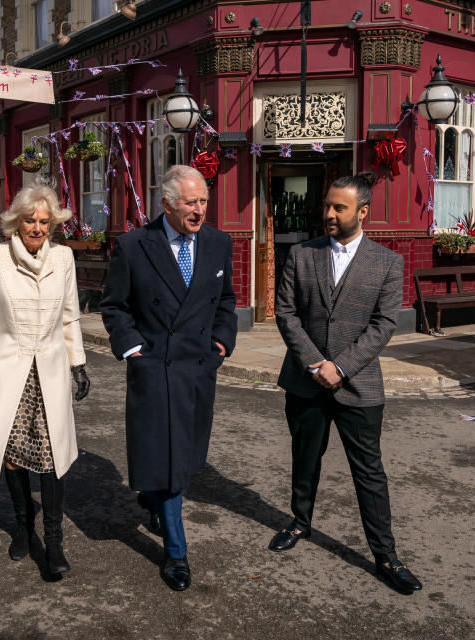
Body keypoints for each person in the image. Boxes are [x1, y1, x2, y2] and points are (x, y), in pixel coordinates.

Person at [270, 172, 423, 594]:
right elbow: (286, 313)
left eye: (339, 207)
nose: (330, 214)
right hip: (305, 381)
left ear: (363, 212)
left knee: (369, 473)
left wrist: (341, 367)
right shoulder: (301, 255)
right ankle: (300, 523)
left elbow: (383, 324)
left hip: (358, 386)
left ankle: (386, 556)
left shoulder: (388, 262)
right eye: (328, 206)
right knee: (305, 460)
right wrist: (316, 363)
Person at [100, 165, 238, 591]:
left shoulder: (217, 242)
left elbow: (227, 300)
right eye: (190, 203)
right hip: (155, 368)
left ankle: (155, 500)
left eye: (203, 202)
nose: (199, 211)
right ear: (166, 204)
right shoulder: (134, 246)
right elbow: (114, 307)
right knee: (171, 460)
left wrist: (221, 341)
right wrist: (133, 349)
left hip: (197, 368)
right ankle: (176, 551)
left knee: (185, 455)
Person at [0, 184, 90, 576]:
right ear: (16, 222)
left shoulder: (64, 259)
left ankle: (54, 542)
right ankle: (22, 526)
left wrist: (78, 364)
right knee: (13, 457)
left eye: (43, 221)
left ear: (52, 225)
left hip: (49, 373)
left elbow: (70, 316)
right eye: (30, 221)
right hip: (9, 371)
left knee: (53, 459)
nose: (37, 228)